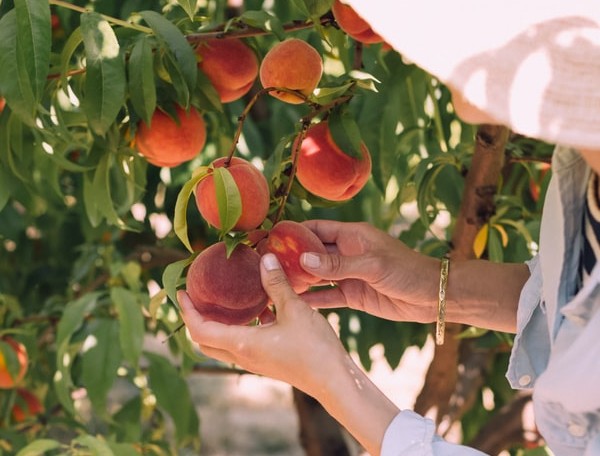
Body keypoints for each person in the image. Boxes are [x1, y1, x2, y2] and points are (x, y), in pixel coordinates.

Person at [178, 2, 600, 454]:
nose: (466, 100)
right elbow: (581, 299)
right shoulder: (581, 170)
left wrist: (332, 381)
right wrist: (436, 285)